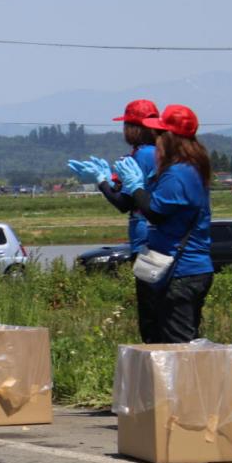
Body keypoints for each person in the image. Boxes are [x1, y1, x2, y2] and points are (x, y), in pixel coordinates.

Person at [115, 105, 214, 344]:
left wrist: (135, 186)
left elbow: (155, 213)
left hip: (180, 271)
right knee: (176, 342)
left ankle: (183, 383)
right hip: (188, 268)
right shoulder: (191, 169)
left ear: (168, 139)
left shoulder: (177, 174)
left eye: (159, 135)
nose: (155, 141)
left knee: (176, 347)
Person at [67, 99, 160, 340]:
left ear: (135, 128)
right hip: (157, 236)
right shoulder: (158, 152)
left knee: (151, 310)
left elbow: (123, 202)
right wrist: (112, 177)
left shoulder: (142, 155)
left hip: (145, 239)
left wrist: (101, 181)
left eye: (126, 125)